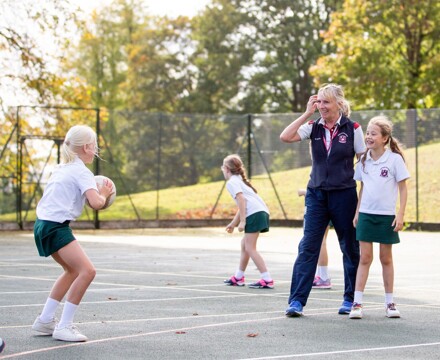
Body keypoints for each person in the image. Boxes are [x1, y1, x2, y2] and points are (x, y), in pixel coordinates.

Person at [280, 83, 366, 316]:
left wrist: (361, 203)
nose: (322, 107)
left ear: (339, 103)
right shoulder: (313, 126)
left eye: (326, 102)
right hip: (316, 195)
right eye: (319, 102)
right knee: (308, 247)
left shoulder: (353, 128)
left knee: (349, 247)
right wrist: (307, 112)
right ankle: (296, 301)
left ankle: (350, 299)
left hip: (344, 195)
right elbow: (285, 136)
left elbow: (364, 165)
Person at [32, 125, 114, 342]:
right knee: (87, 271)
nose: (96, 149)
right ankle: (64, 326)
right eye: (94, 145)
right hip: (55, 227)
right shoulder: (81, 171)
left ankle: (45, 320)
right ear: (87, 147)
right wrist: (103, 193)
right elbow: (97, 203)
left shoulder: (62, 168)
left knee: (71, 271)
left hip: (42, 225)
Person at [349, 116, 409, 319]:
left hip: (386, 217)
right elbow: (362, 188)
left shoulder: (394, 159)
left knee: (386, 258)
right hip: (366, 215)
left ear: (384, 138)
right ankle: (357, 303)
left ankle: (389, 303)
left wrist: (400, 214)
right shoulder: (364, 159)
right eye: (367, 133)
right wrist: (357, 212)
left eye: (373, 133)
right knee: (364, 258)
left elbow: (403, 187)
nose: (368, 136)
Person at [221, 154, 274, 289]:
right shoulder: (239, 180)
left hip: (255, 214)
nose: (222, 169)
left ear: (227, 168)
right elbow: (242, 205)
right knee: (244, 244)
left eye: (223, 166)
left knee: (250, 247)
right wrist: (233, 223)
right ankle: (238, 277)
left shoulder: (232, 182)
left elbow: (242, 201)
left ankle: (267, 279)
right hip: (260, 212)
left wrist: (243, 222)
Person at [298, 189, 332, 289]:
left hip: (321, 207)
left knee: (320, 241)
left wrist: (304, 192)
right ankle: (321, 275)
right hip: (326, 204)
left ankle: (323, 277)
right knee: (321, 241)